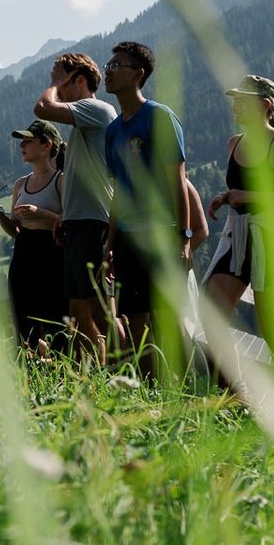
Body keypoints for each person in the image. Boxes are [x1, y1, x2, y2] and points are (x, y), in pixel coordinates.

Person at [202, 75, 274, 386]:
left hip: (272, 238)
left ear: (265, 105)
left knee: (273, 330)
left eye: (243, 100)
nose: (236, 106)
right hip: (239, 236)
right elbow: (242, 190)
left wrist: (248, 196)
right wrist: (227, 196)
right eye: (235, 100)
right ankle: (233, 394)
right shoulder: (234, 143)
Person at [98, 42, 196, 367]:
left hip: (162, 235)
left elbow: (177, 181)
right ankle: (150, 389)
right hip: (128, 240)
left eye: (117, 65)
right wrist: (110, 244)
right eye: (108, 65)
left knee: (168, 318)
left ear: (138, 74)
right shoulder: (113, 131)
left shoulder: (159, 117)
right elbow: (118, 193)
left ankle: (189, 385)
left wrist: (184, 237)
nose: (108, 71)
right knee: (134, 320)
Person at [32, 53, 117, 364]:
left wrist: (54, 84)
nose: (59, 88)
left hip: (93, 224)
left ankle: (131, 374)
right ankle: (91, 376)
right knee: (79, 313)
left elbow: (43, 108)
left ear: (79, 80)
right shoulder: (85, 120)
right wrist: (66, 215)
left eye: (63, 81)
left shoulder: (96, 109)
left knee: (101, 311)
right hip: (80, 223)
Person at [0, 120, 67, 350]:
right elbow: (15, 230)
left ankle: (61, 363)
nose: (21, 145)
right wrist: (0, 216)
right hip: (23, 253)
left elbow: (69, 223)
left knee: (56, 319)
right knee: (23, 319)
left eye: (28, 141)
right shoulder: (20, 184)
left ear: (46, 145)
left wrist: (40, 213)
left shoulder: (60, 180)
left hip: (52, 254)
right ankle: (30, 363)